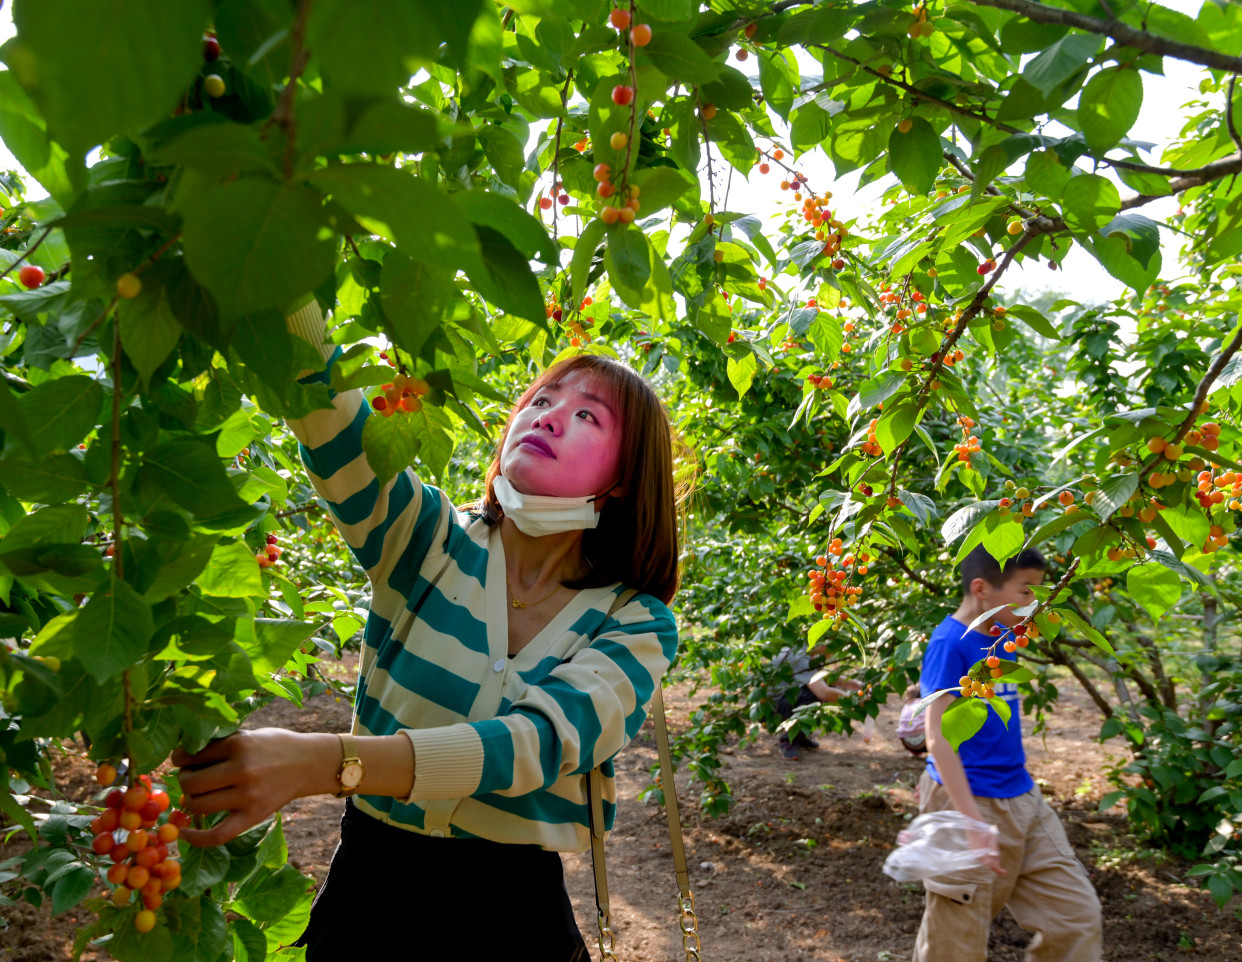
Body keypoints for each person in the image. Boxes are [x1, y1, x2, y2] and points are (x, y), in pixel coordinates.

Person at [171, 299, 689, 960]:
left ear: (621, 480)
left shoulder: (635, 619)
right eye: (541, 400)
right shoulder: (428, 539)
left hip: (511, 918)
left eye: (586, 414)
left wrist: (326, 763)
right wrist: (283, 263)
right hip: (370, 900)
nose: (549, 416)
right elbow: (327, 413)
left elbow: (534, 745)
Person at [914, 545, 1102, 962]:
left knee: (1077, 917)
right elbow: (939, 738)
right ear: (981, 589)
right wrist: (966, 817)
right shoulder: (950, 643)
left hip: (1023, 798)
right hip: (971, 802)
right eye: (1026, 590)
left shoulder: (1002, 636)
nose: (1034, 602)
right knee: (954, 943)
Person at [769, 644, 863, 760]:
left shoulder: (802, 649)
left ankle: (800, 735)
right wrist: (855, 702)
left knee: (814, 691)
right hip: (772, 707)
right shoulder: (800, 657)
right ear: (821, 643)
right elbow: (824, 692)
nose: (831, 654)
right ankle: (788, 740)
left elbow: (822, 676)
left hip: (781, 698)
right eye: (831, 649)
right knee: (812, 696)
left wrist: (855, 685)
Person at [896, 683, 928, 756]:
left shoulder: (907, 706)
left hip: (906, 742)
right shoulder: (927, 704)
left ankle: (914, 752)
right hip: (925, 742)